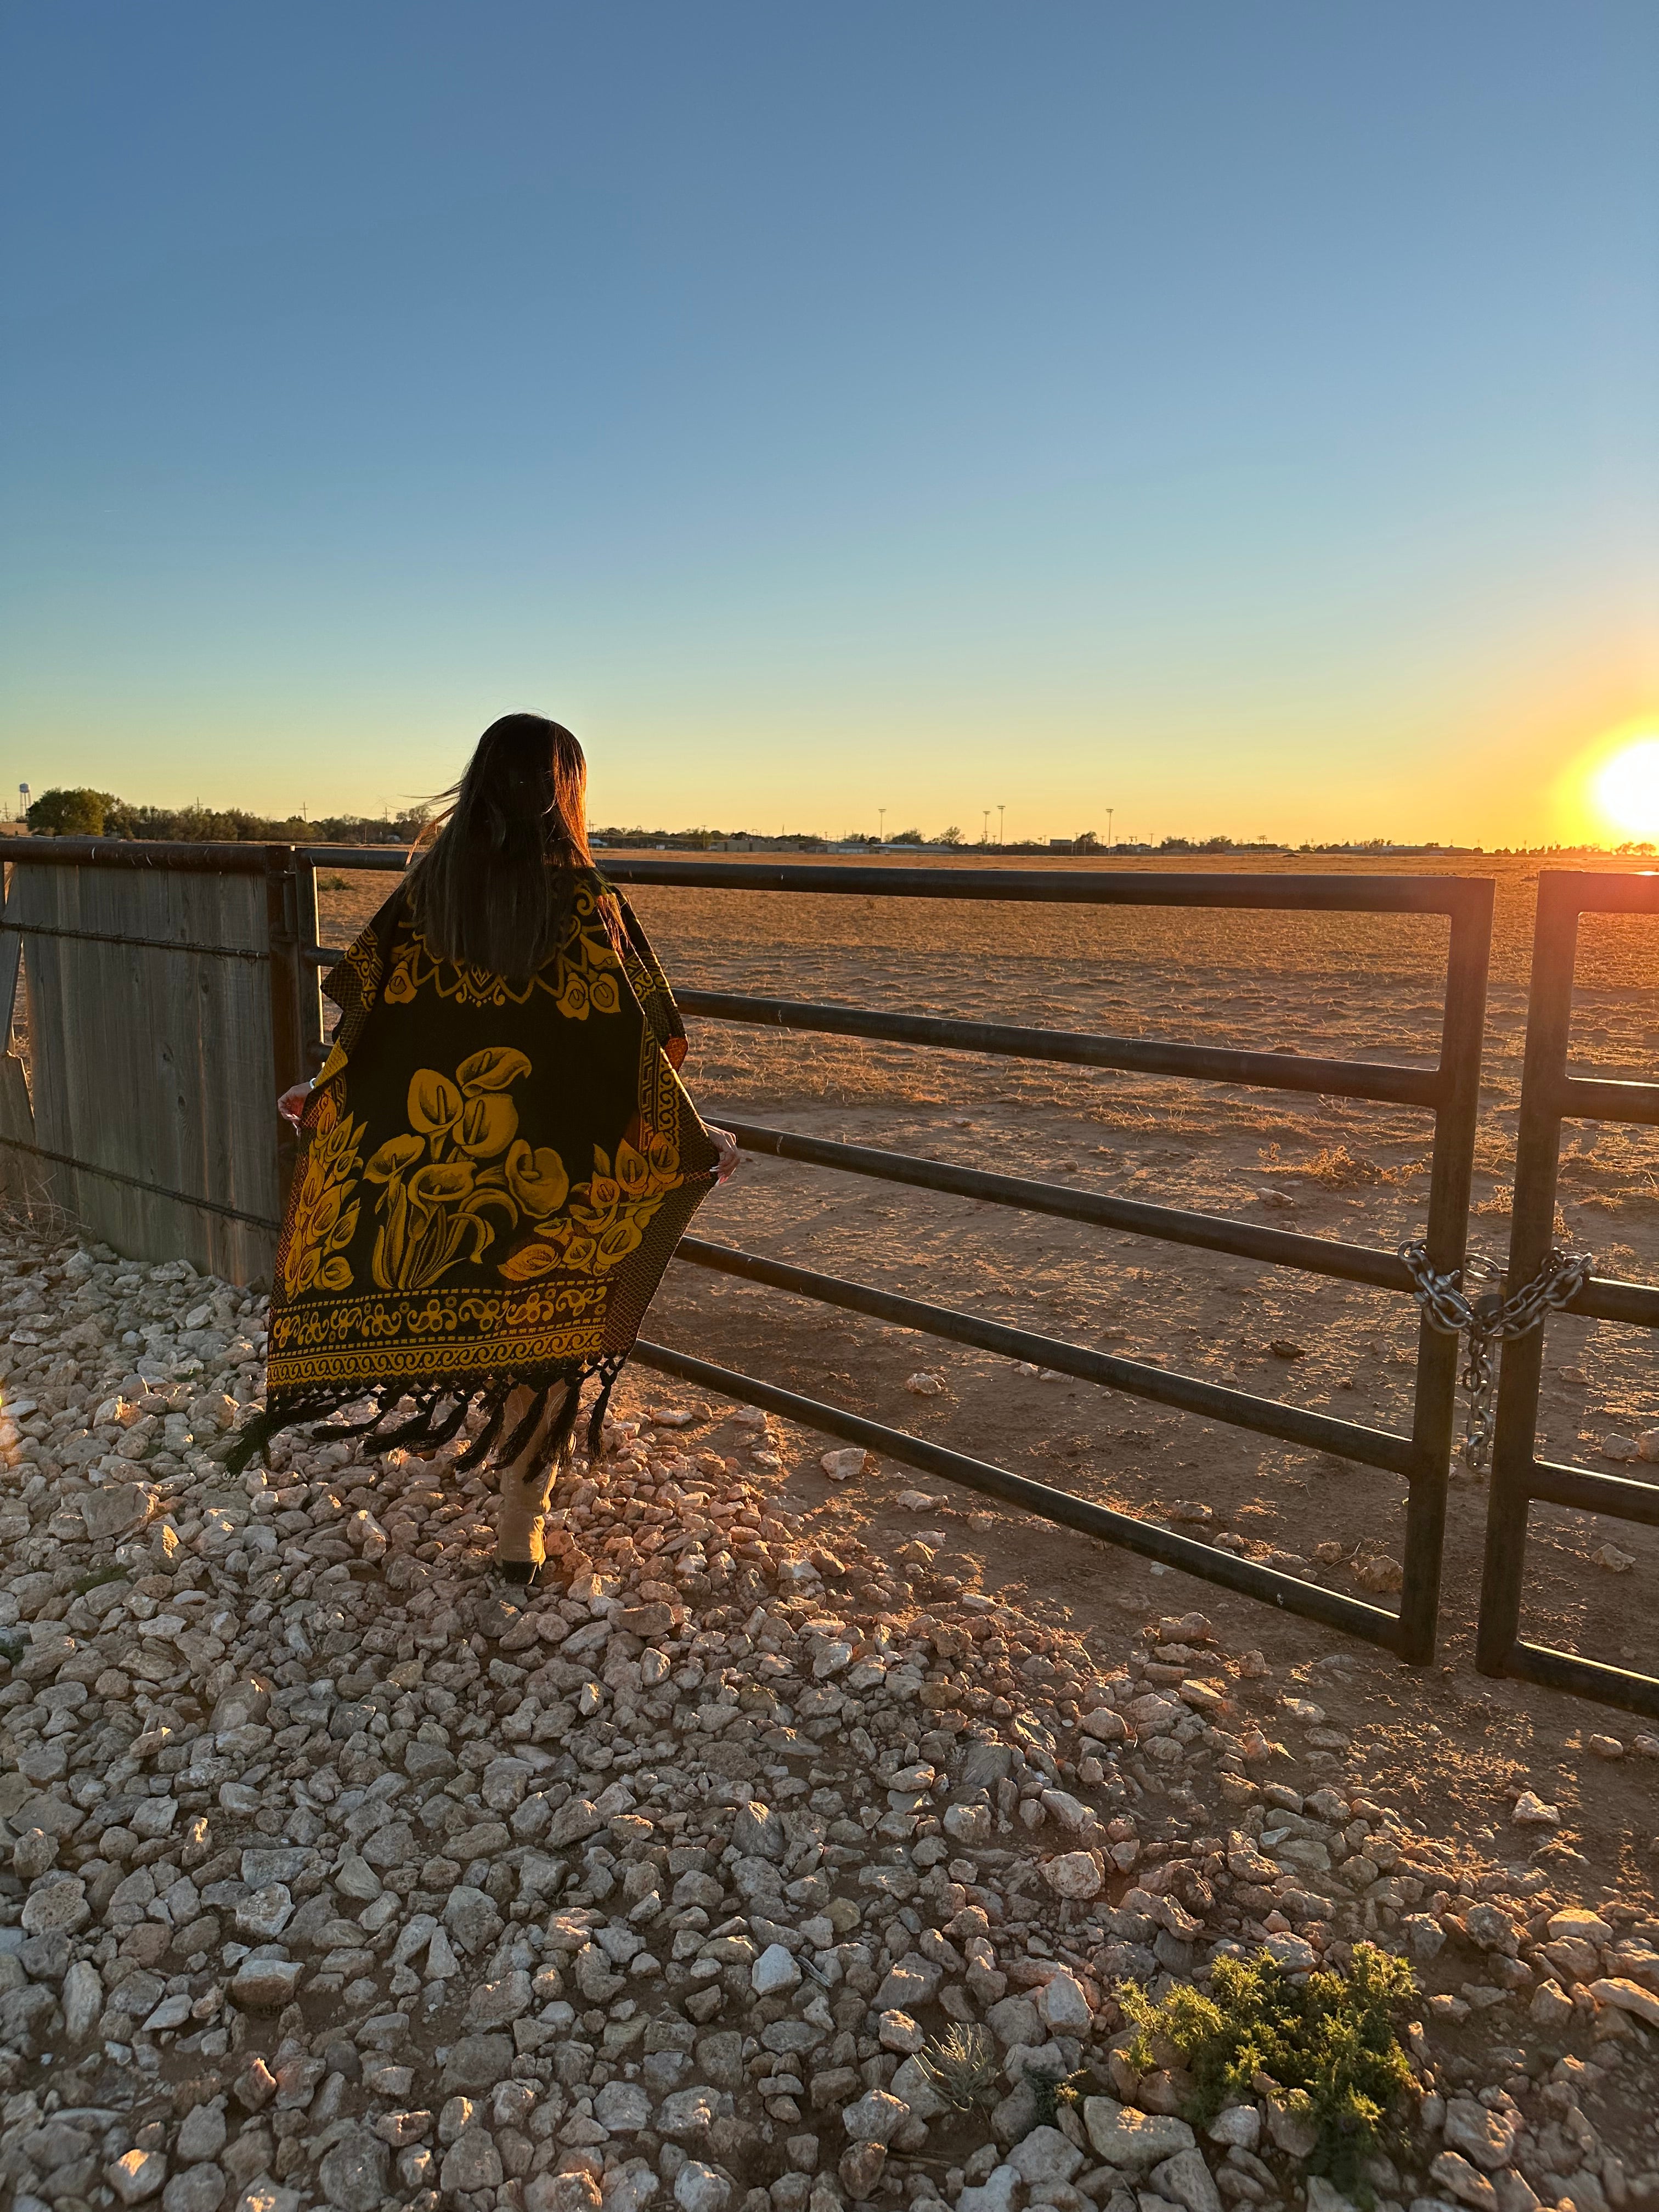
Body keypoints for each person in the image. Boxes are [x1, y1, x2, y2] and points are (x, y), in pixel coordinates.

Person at [242, 712, 737, 1584]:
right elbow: (643, 1050)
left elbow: (368, 1026)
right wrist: (693, 1140)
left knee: (461, 1300)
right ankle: (522, 1534)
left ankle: (504, 1497)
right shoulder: (592, 908)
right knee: (546, 1345)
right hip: (555, 1176)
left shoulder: (421, 898)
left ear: (475, 787)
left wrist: (325, 1096)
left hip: (441, 1176)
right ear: (568, 796)